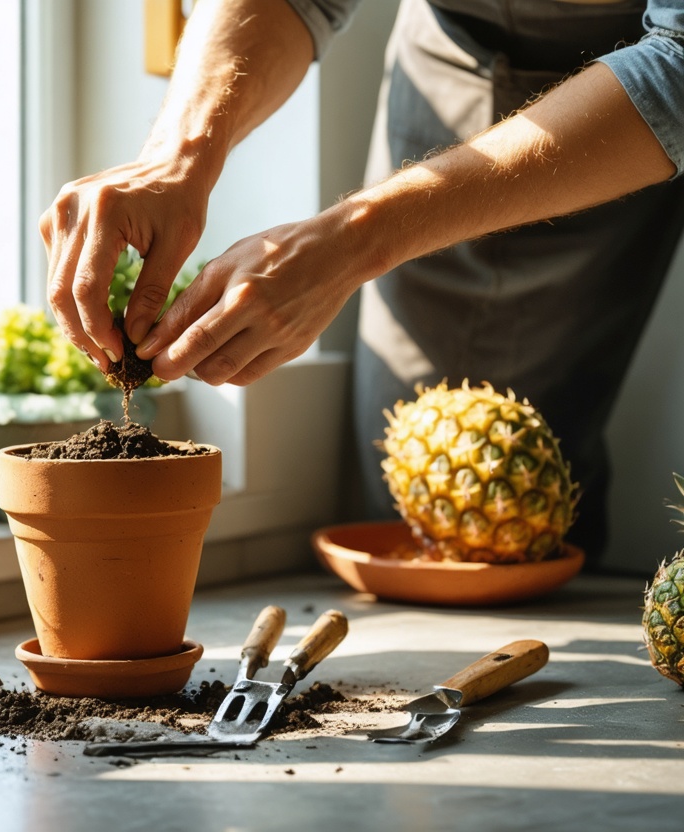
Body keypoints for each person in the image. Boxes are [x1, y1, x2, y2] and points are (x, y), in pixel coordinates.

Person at [39, 0, 684, 562]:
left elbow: (677, 63)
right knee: (409, 486)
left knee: (538, 483)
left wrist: (353, 242)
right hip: (447, 52)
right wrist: (176, 158)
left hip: (618, 107)